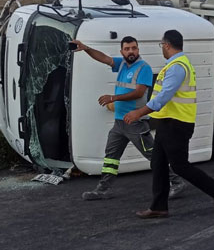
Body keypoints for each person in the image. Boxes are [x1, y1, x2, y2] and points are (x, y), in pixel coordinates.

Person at [124, 30, 214, 218]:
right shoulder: (175, 64)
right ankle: (159, 207)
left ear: (166, 45)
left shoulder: (177, 67)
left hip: (177, 123)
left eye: (161, 45)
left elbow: (164, 96)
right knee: (158, 164)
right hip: (168, 123)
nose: (162, 49)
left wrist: (139, 112)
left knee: (180, 166)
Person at [70, 37, 184, 200]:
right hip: (119, 124)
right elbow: (104, 58)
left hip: (136, 123)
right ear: (122, 51)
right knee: (111, 157)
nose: (131, 51)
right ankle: (103, 190)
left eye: (134, 48)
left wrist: (113, 98)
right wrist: (85, 48)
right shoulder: (122, 64)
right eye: (127, 49)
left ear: (138, 49)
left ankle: (177, 182)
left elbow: (139, 92)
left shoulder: (143, 67)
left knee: (153, 155)